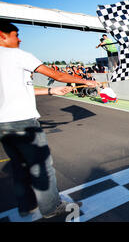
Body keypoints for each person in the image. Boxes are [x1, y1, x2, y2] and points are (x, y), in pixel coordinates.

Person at [0, 21, 99, 219]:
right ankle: (52, 207)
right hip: (24, 122)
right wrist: (85, 80)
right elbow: (56, 74)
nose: (19, 39)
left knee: (19, 166)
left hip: (3, 124)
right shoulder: (18, 55)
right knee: (43, 166)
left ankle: (26, 206)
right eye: (15, 34)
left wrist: (51, 90)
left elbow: (21, 89)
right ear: (2, 35)